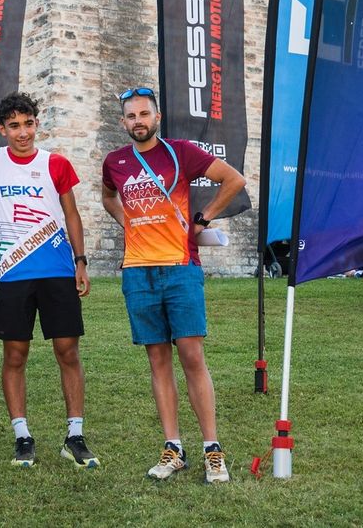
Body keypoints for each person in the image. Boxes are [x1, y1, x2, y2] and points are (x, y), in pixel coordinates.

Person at [101, 86, 246, 484]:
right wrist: (127, 224)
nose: (138, 122)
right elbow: (108, 197)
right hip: (137, 271)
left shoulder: (180, 152)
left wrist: (205, 217)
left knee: (192, 356)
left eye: (144, 114)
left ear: (157, 117)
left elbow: (233, 179)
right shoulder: (115, 161)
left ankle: (212, 450)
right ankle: (173, 448)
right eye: (131, 116)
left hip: (180, 268)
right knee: (157, 360)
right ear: (123, 122)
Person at [0, 92, 98, 469]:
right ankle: (22, 436)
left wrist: (80, 261)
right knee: (15, 354)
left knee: (67, 350)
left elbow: (72, 214)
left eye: (28, 124)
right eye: (14, 125)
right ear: (2, 129)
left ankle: (74, 435)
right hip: (15, 273)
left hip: (59, 271)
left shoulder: (56, 163)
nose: (23, 132)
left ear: (36, 124)